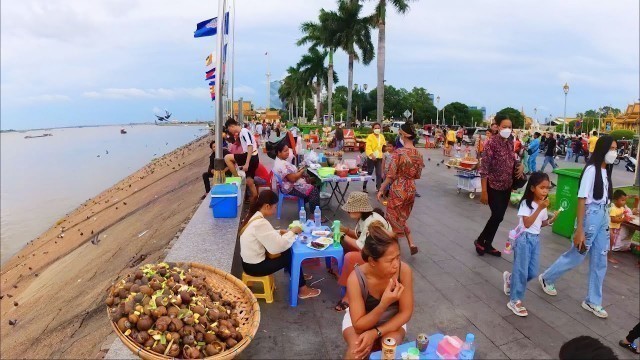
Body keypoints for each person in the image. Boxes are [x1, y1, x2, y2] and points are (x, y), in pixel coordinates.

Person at [538, 136, 617, 319]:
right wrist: (580, 228)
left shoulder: (607, 171)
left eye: (615, 149)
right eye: (611, 148)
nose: (614, 152)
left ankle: (593, 300)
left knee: (600, 259)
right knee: (577, 254)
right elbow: (581, 199)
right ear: (603, 149)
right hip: (591, 216)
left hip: (603, 215)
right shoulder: (591, 170)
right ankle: (547, 277)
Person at [342, 223, 414, 360]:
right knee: (356, 352)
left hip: (392, 319)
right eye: (390, 260)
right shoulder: (356, 279)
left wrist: (375, 333)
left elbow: (405, 312)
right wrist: (383, 304)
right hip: (360, 320)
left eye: (398, 257)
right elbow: (358, 326)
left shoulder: (403, 271)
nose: (396, 264)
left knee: (388, 348)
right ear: (372, 261)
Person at [240, 190, 321, 300]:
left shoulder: (254, 216)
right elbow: (277, 247)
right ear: (267, 206)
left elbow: (265, 235)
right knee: (290, 255)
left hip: (247, 263)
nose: (275, 209)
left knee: (288, 250)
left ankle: (296, 272)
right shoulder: (260, 223)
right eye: (275, 207)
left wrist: (279, 232)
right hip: (255, 267)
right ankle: (303, 289)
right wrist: (293, 231)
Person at [502, 172, 558, 317]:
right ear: (533, 188)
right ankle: (515, 300)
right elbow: (527, 223)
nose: (545, 191)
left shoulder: (544, 205)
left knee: (532, 272)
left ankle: (510, 279)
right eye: (542, 188)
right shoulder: (526, 203)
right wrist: (539, 208)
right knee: (522, 271)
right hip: (523, 239)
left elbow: (540, 224)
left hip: (535, 239)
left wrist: (551, 220)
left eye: (548, 188)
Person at [474, 115, 525, 257]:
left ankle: (487, 243)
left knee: (499, 217)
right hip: (493, 185)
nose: (507, 129)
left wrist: (521, 165)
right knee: (496, 215)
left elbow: (512, 160)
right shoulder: (491, 143)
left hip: (507, 186)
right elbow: (484, 169)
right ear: (497, 127)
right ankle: (480, 240)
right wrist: (484, 191)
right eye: (504, 126)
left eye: (510, 127)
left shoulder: (510, 141)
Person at [334, 192, 392, 312]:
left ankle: (349, 296)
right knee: (344, 246)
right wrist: (346, 230)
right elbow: (359, 236)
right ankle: (344, 272)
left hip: (381, 257)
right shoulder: (365, 218)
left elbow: (362, 245)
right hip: (372, 251)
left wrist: (342, 235)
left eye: (351, 209)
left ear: (360, 209)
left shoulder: (373, 223)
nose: (348, 211)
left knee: (350, 257)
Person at [377, 123, 424, 255]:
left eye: (400, 134)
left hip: (399, 188)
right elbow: (418, 175)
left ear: (403, 135)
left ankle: (394, 251)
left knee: (392, 218)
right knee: (401, 218)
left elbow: (390, 175)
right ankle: (411, 243)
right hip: (411, 188)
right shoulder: (418, 154)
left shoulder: (398, 153)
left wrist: (381, 188)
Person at [272, 142, 321, 217]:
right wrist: (301, 172)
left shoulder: (279, 161)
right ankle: (314, 216)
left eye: (288, 150)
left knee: (313, 183)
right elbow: (293, 179)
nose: (288, 153)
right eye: (285, 151)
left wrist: (298, 171)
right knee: (314, 190)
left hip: (287, 185)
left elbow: (291, 175)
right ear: (279, 153)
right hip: (290, 187)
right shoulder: (282, 164)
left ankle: (306, 206)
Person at [224, 118, 260, 204]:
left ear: (231, 126)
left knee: (227, 158)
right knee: (250, 182)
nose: (230, 131)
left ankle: (237, 178)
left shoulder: (244, 132)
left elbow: (250, 146)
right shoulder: (242, 133)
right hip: (254, 157)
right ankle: (255, 202)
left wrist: (246, 163)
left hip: (250, 156)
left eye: (229, 129)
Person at [608, 189, 628, 264]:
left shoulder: (622, 208)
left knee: (611, 242)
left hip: (615, 228)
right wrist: (623, 219)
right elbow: (613, 220)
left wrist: (627, 217)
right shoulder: (613, 209)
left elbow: (623, 216)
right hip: (609, 227)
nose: (624, 202)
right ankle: (609, 257)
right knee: (611, 241)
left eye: (624, 200)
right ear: (616, 200)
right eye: (622, 200)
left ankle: (606, 255)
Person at [364, 123, 386, 193]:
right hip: (371, 157)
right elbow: (368, 147)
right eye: (375, 128)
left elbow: (384, 146)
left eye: (378, 128)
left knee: (379, 173)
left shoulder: (382, 136)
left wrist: (385, 153)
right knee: (369, 172)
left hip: (379, 157)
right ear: (373, 129)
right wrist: (372, 155)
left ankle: (378, 188)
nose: (377, 129)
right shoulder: (370, 137)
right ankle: (364, 186)